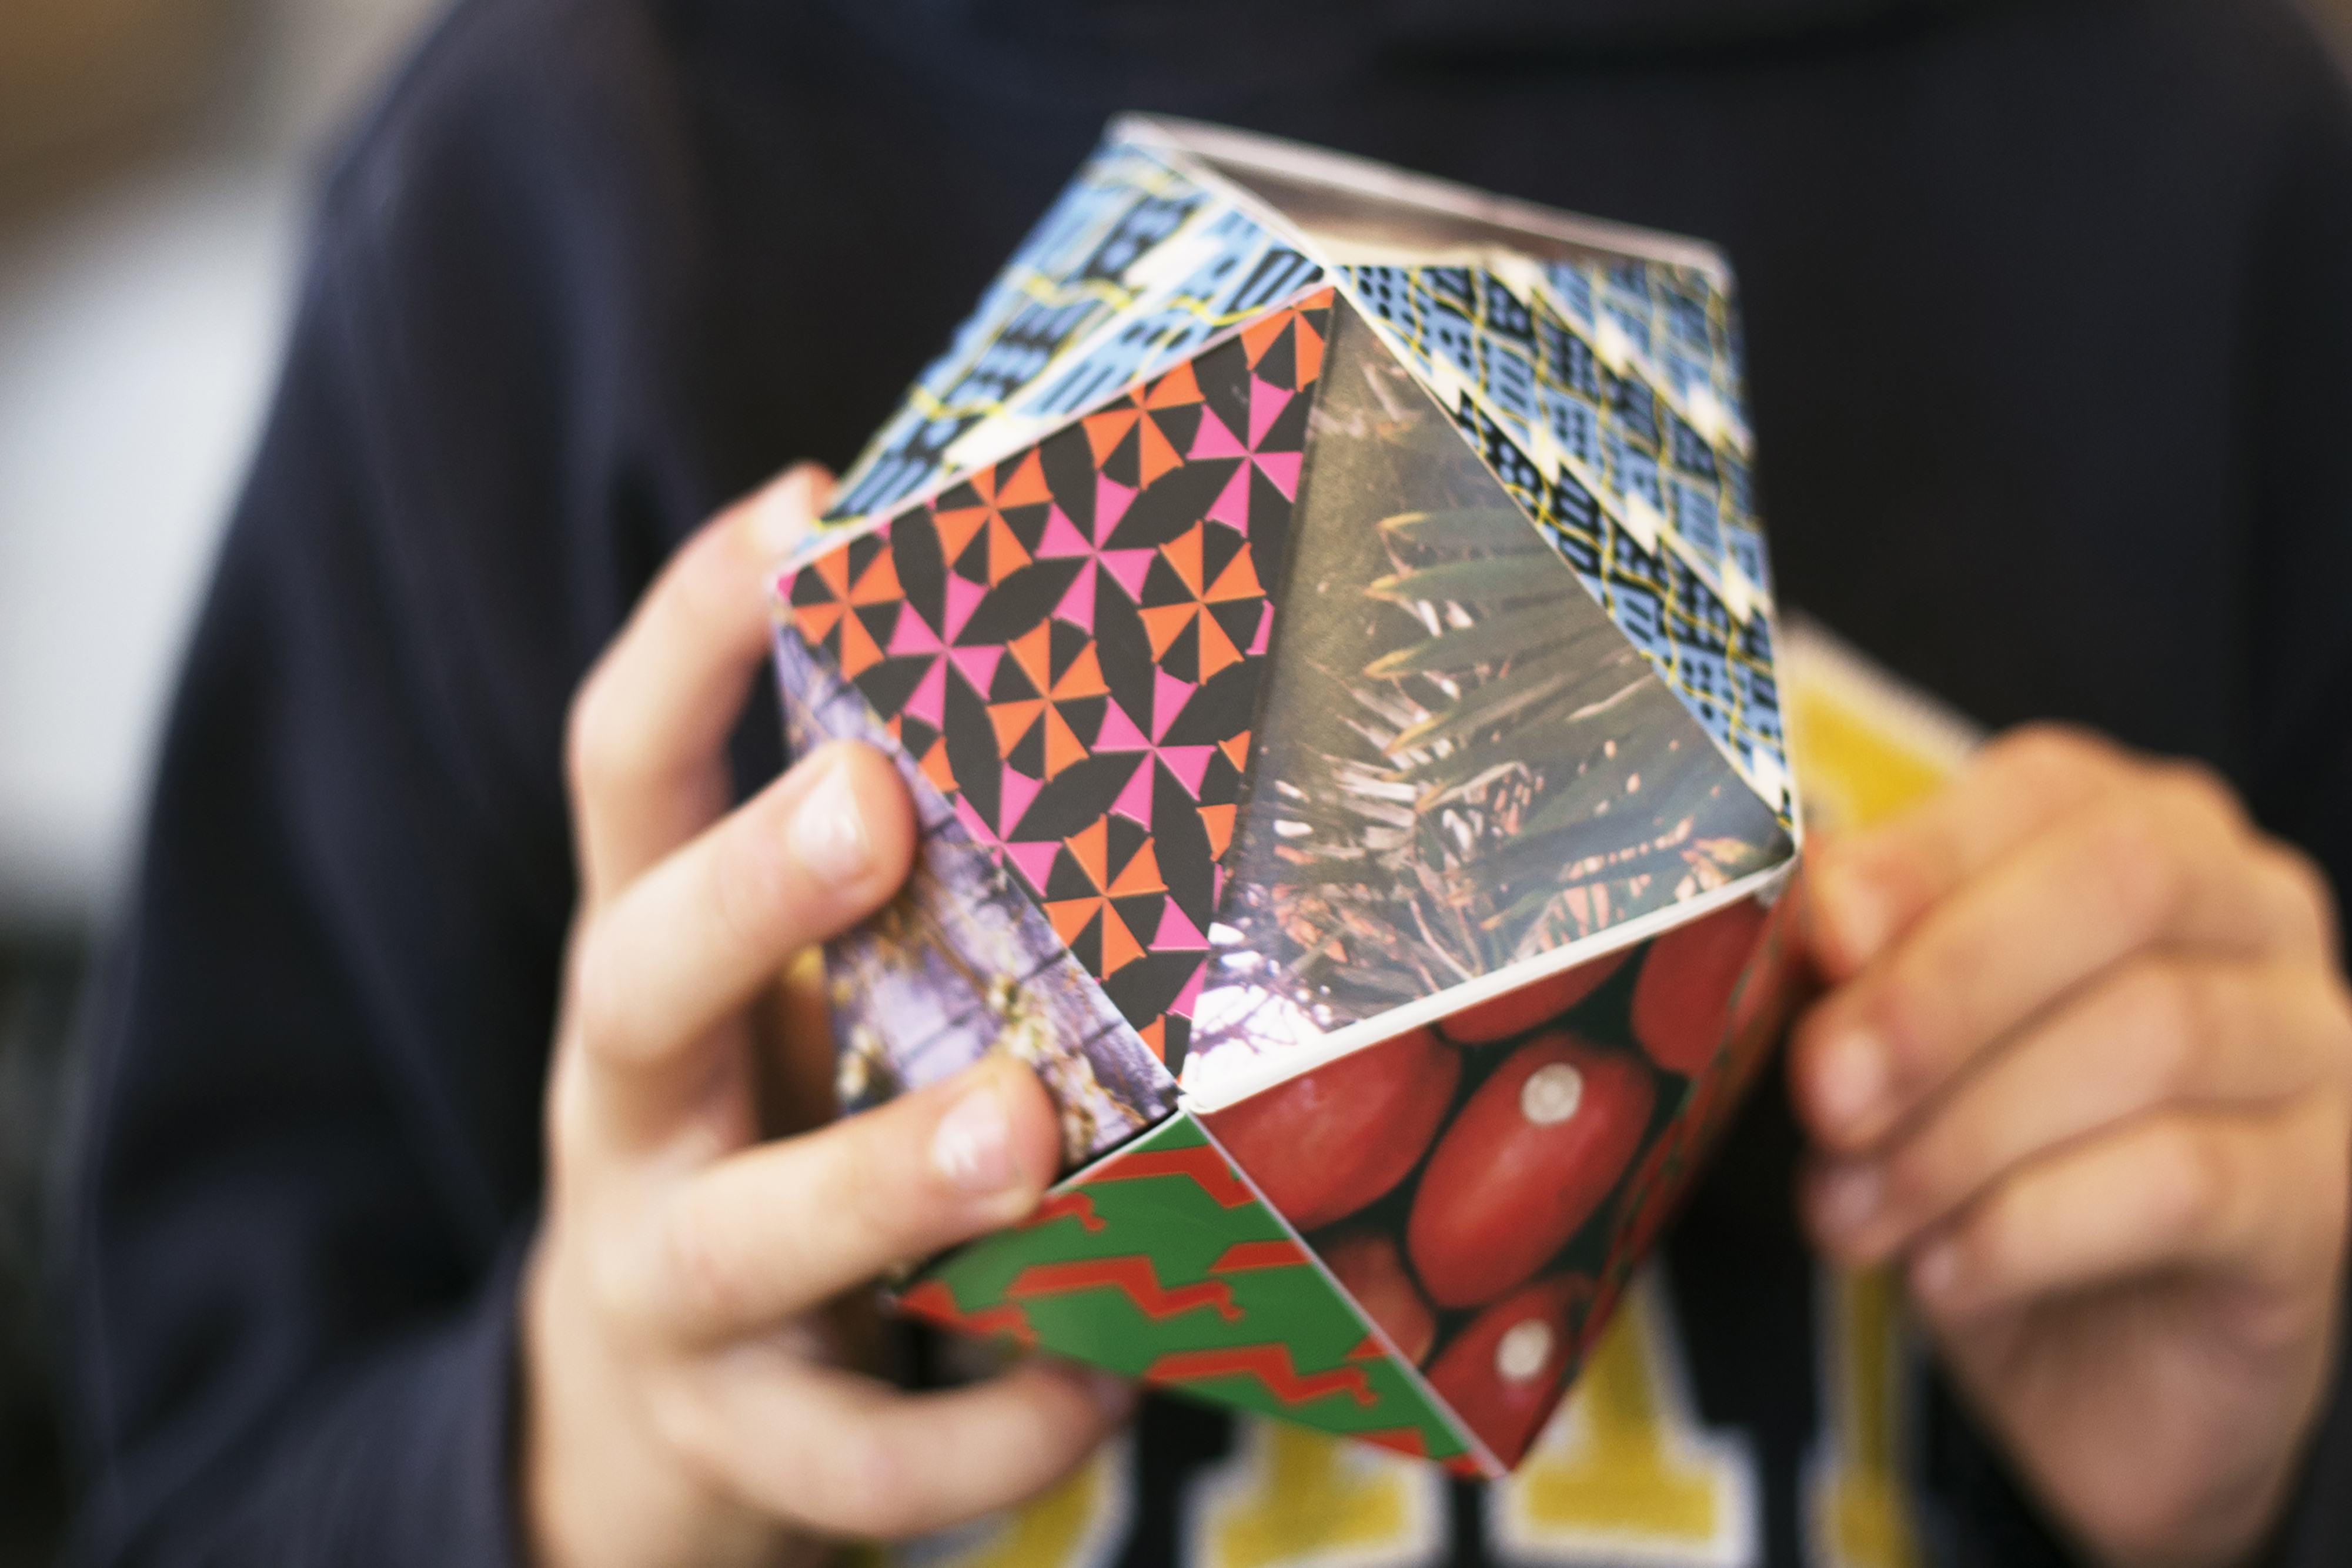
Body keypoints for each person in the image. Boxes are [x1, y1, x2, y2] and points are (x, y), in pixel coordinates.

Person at [58, 0, 2352, 1564]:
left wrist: (2264, 1456)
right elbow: (186, 1474)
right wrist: (581, 1454)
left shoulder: (2226, 195)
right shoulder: (560, 200)